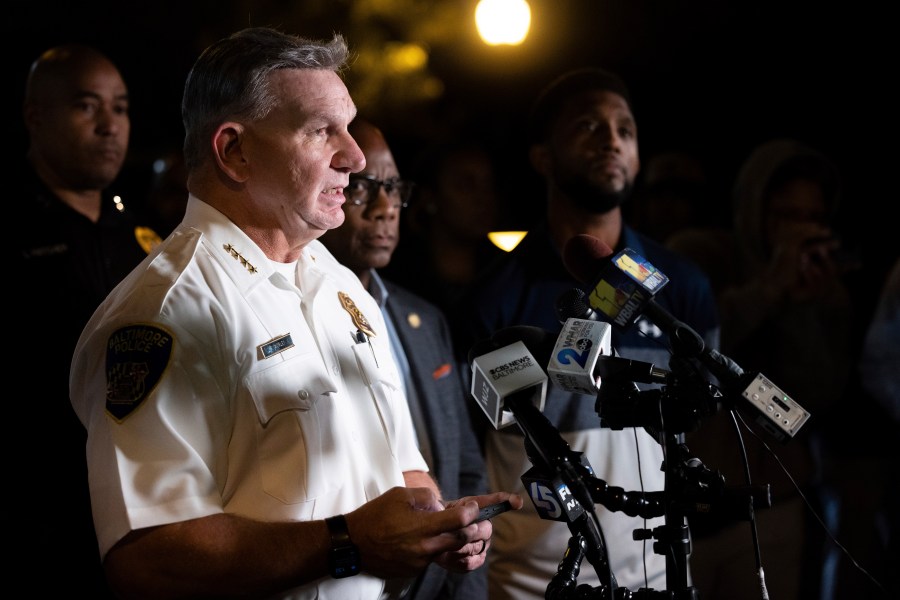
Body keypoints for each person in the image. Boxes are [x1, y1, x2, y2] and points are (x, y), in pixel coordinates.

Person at [68, 27, 522, 600]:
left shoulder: (343, 288)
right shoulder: (164, 314)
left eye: (349, 127)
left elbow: (402, 468)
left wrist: (432, 521)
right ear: (234, 151)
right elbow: (149, 562)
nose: (354, 157)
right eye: (320, 131)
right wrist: (349, 543)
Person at [451, 67, 720, 599]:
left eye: (625, 129)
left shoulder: (682, 285)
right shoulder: (492, 297)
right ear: (542, 157)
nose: (611, 140)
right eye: (588, 127)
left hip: (658, 578)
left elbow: (705, 422)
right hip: (528, 585)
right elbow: (467, 451)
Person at [666, 138, 859, 599]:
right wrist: (769, 287)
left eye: (812, 219)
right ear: (754, 207)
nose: (798, 232)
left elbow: (821, 393)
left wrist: (805, 308)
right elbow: (689, 346)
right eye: (786, 216)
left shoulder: (823, 287)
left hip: (773, 504)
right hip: (690, 502)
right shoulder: (700, 255)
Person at [12, 43, 162, 597]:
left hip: (139, 498)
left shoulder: (145, 228)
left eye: (119, 108)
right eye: (86, 107)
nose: (109, 126)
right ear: (36, 117)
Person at [319, 117, 490, 599]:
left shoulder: (425, 319)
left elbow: (467, 469)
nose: (384, 209)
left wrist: (469, 579)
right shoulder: (290, 321)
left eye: (393, 188)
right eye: (362, 187)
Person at [383, 134, 505, 316]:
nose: (483, 198)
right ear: (430, 197)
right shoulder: (398, 278)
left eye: (488, 185)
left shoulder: (507, 273)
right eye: (466, 185)